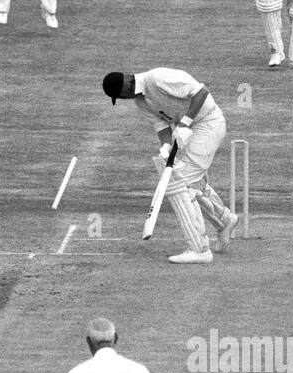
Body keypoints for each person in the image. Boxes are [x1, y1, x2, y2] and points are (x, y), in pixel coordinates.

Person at [101, 67, 239, 264]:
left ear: (124, 89)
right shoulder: (141, 102)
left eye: (119, 96)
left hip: (208, 123)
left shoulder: (158, 79)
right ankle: (224, 219)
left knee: (182, 184)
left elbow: (201, 92)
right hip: (189, 130)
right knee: (187, 180)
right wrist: (166, 146)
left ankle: (199, 249)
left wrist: (184, 123)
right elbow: (162, 127)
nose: (122, 100)